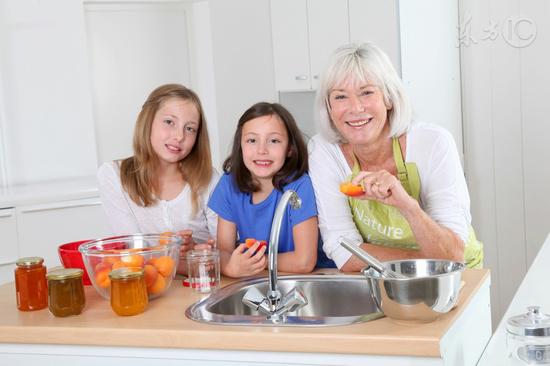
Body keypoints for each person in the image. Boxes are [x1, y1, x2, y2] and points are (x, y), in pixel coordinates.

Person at [308, 42, 483, 271]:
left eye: (367, 92)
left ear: (389, 98)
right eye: (341, 97)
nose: (355, 107)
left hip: (455, 280)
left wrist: (407, 205)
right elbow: (343, 250)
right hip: (382, 278)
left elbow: (452, 255)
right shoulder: (324, 150)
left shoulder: (433, 143)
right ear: (329, 107)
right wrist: (425, 259)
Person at [97, 84, 219, 273]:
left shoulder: (208, 178)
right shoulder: (113, 175)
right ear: (147, 120)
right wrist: (186, 262)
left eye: (190, 129)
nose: (179, 136)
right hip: (148, 290)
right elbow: (134, 253)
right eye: (169, 122)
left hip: (198, 287)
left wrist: (195, 248)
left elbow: (222, 249)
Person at [208, 102, 327, 278]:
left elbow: (304, 261)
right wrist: (231, 267)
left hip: (310, 279)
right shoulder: (228, 184)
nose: (262, 150)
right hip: (263, 277)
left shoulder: (299, 185)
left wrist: (253, 262)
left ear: (289, 149)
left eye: (273, 141)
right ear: (240, 146)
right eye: (252, 140)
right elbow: (224, 253)